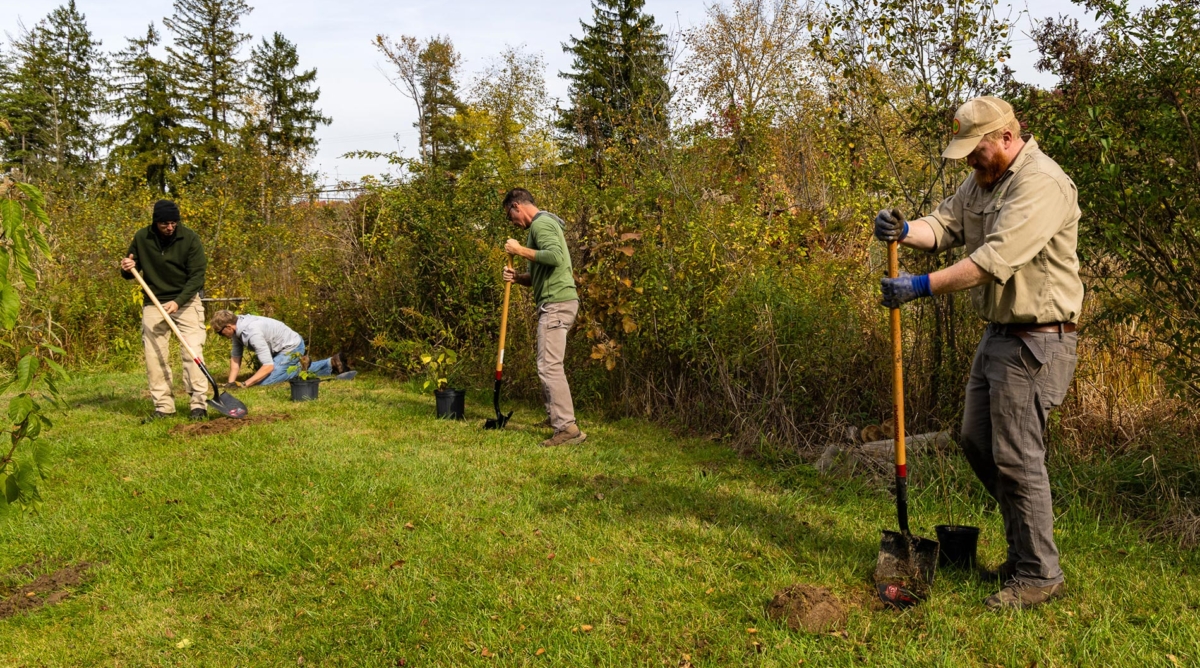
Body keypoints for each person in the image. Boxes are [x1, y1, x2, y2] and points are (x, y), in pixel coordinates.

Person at [874, 96, 1083, 610]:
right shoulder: (983, 180)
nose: (970, 160)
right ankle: (1025, 550)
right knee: (976, 440)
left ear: (1007, 138)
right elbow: (944, 225)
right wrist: (904, 231)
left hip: (1038, 341)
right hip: (999, 336)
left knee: (1017, 459)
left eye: (977, 149)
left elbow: (993, 261)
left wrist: (919, 286)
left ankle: (1038, 573)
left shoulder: (1042, 185)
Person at [500, 188, 587, 447]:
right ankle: (556, 418)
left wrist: (519, 250)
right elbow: (543, 272)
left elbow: (555, 257)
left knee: (549, 366)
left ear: (517, 206)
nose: (512, 223)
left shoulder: (541, 224)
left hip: (557, 304)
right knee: (548, 364)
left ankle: (566, 429)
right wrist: (518, 278)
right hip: (558, 301)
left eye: (510, 216)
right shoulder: (541, 226)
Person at [119, 199, 209, 422]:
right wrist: (127, 268)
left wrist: (178, 301)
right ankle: (164, 407)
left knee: (192, 351)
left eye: (173, 223)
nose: (170, 227)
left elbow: (197, 276)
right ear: (155, 222)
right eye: (164, 224)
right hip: (154, 302)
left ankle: (199, 405)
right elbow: (131, 269)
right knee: (155, 356)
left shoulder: (189, 238)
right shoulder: (142, 237)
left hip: (186, 301)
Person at [209, 310, 350, 387]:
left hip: (292, 347)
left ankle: (301, 368)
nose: (220, 336)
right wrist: (231, 383)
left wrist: (245, 384)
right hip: (279, 350)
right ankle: (330, 363)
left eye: (219, 333)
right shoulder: (237, 329)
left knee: (263, 381)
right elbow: (236, 359)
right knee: (260, 377)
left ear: (228, 327)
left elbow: (268, 366)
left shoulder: (252, 332)